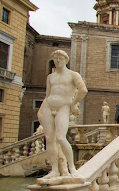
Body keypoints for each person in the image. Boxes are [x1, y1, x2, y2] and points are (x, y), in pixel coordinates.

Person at [37, 49, 87, 181]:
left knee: (60, 137)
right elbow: (47, 95)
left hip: (63, 106)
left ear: (66, 60)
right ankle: (54, 170)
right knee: (50, 138)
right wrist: (40, 110)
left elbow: (83, 90)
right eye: (55, 58)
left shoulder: (73, 75)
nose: (57, 61)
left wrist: (73, 103)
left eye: (60, 58)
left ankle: (72, 168)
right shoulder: (50, 77)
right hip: (49, 105)